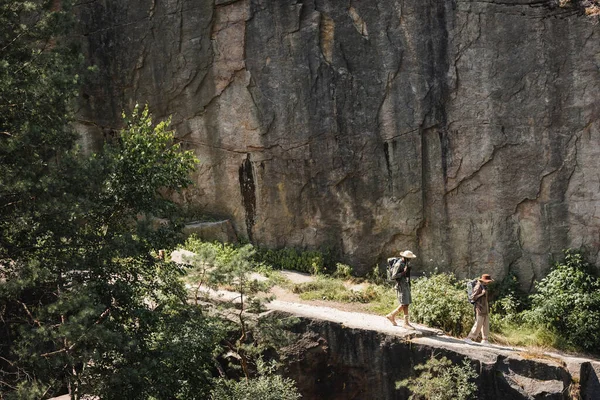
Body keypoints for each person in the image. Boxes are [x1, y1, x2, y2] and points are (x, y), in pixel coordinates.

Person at [385, 250, 417, 329]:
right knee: (405, 303)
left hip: (405, 285)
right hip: (401, 286)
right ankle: (405, 323)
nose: (410, 260)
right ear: (405, 258)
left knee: (406, 303)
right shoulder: (399, 264)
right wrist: (403, 272)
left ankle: (392, 315)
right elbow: (393, 276)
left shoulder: (405, 263)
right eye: (409, 258)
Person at [464, 273, 494, 345]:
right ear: (484, 281)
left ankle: (485, 339)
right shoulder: (478, 286)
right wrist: (481, 294)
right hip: (479, 308)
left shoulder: (484, 286)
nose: (489, 282)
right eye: (488, 281)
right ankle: (469, 338)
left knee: (486, 324)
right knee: (478, 324)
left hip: (485, 308)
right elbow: (472, 297)